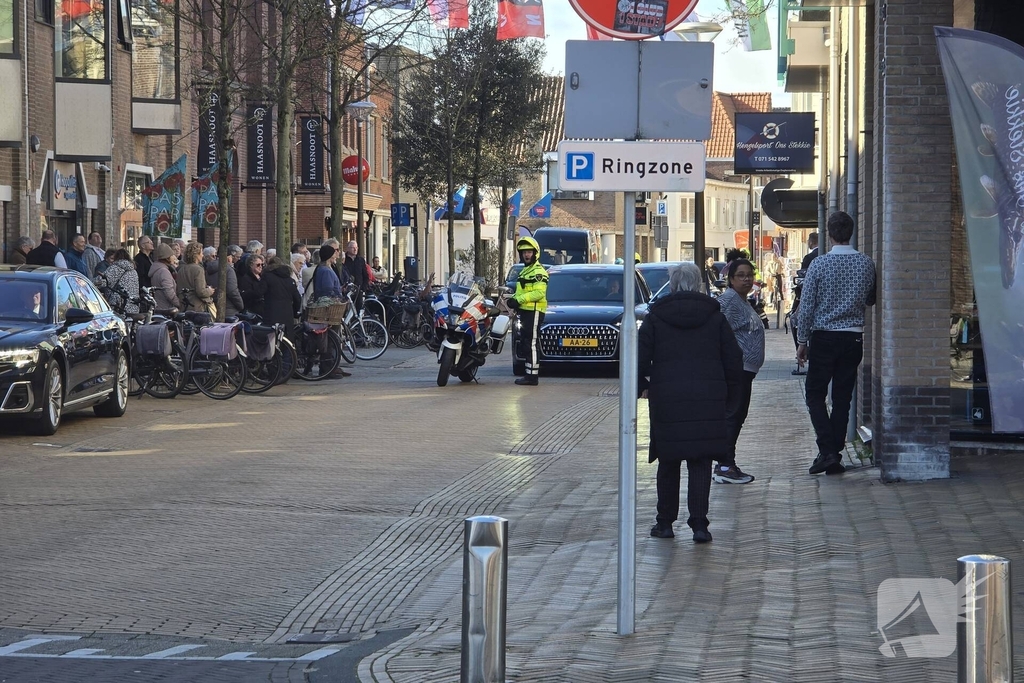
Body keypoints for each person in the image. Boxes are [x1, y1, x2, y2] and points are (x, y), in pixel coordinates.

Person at [638, 263, 743, 544]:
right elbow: (733, 359)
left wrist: (643, 386)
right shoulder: (714, 317)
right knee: (700, 460)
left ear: (672, 284)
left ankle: (665, 522)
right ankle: (699, 525)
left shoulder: (656, 317)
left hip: (667, 398)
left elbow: (639, 356)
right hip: (707, 398)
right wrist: (731, 394)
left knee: (669, 460)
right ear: (699, 283)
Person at [797, 211, 876, 476]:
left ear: (829, 235)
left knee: (815, 394)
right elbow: (871, 299)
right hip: (853, 336)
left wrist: (802, 339)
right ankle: (834, 453)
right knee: (843, 397)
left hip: (824, 336)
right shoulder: (866, 263)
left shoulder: (819, 265)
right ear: (851, 232)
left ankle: (828, 450)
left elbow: (807, 305)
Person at [712, 258, 763, 485]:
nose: (746, 279)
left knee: (737, 416)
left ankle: (727, 462)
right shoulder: (730, 301)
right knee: (732, 415)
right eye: (741, 275)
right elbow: (718, 331)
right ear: (731, 279)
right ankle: (724, 465)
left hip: (745, 369)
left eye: (749, 275)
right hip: (736, 369)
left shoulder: (743, 300)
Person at [507, 236, 548, 386]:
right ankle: (528, 373)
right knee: (525, 342)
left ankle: (532, 377)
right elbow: (522, 291)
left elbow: (539, 293)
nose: (526, 255)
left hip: (534, 311)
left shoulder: (538, 272)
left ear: (535, 253)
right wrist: (513, 300)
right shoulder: (525, 271)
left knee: (531, 343)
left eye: (529, 251)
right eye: (524, 252)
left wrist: (519, 300)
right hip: (525, 311)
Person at [790, 232, 820, 360]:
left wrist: (801, 342)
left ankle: (802, 350)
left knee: (794, 320)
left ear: (811, 242)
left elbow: (805, 284)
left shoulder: (810, 258)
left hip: (814, 306)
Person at [263, 256, 302, 337]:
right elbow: (297, 299)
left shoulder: (267, 276)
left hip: (271, 313)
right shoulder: (290, 280)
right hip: (287, 314)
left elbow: (259, 292)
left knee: (272, 338)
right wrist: (295, 312)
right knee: (287, 339)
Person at [205, 245, 245, 318]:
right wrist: (240, 305)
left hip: (213, 307)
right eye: (237, 257)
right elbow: (232, 291)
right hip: (229, 308)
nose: (238, 259)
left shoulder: (208, 269)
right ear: (229, 257)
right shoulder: (229, 270)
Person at [176, 242, 216, 314]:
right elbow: (201, 292)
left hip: (184, 306)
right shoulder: (198, 269)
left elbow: (178, 290)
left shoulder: (181, 269)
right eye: (201, 253)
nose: (202, 255)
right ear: (196, 255)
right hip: (197, 308)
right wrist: (210, 291)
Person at [97, 249, 140, 315]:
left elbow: (102, 282)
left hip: (119, 306)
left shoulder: (115, 268)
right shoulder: (133, 270)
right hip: (133, 305)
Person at [149, 243, 180, 311]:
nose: (173, 257)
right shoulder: (164, 272)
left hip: (159, 307)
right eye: (172, 255)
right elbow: (169, 293)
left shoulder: (157, 269)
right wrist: (179, 304)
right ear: (167, 258)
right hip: (166, 310)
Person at [343, 240, 369, 307]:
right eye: (353, 247)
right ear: (348, 248)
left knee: (358, 309)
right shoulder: (344, 259)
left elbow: (365, 275)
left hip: (359, 291)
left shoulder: (360, 260)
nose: (355, 249)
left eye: (356, 247)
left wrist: (363, 288)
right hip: (347, 291)